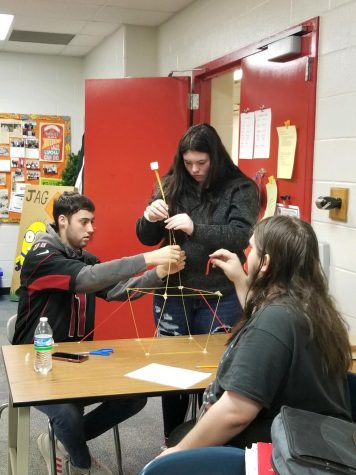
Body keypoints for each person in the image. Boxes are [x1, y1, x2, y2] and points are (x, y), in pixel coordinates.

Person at [13, 191, 185, 475]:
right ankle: (81, 464)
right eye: (84, 222)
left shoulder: (83, 257)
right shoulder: (42, 257)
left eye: (92, 221)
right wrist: (149, 257)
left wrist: (159, 274)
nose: (91, 229)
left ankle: (63, 443)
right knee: (67, 414)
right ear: (63, 221)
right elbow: (87, 279)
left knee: (134, 397)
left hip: (76, 361)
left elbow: (116, 290)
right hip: (36, 363)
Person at [158, 215, 352, 459]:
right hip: (312, 437)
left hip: (277, 450)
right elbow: (264, 321)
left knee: (179, 441)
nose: (247, 254)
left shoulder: (277, 319)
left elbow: (235, 413)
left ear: (265, 263)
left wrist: (176, 453)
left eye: (251, 248)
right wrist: (240, 278)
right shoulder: (310, 307)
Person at [136, 123, 259, 441]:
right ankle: (170, 440)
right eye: (188, 163)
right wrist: (148, 218)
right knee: (171, 372)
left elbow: (240, 235)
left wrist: (195, 227)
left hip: (220, 293)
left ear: (215, 158)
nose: (194, 170)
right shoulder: (171, 183)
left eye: (201, 163)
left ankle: (209, 440)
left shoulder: (240, 188)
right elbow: (146, 237)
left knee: (218, 370)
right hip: (173, 292)